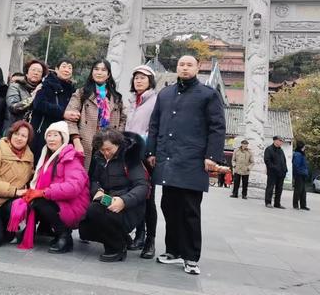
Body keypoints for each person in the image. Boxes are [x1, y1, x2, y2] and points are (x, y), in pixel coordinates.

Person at [147, 55, 225, 275]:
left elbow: (217, 127)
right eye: (181, 64)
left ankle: (190, 256)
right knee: (169, 206)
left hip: (192, 159)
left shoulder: (208, 95)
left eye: (189, 65)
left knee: (190, 209)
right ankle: (173, 250)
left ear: (198, 68)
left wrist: (212, 156)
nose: (185, 68)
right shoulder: (165, 93)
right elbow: (154, 125)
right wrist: (152, 151)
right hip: (168, 158)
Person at [8, 121, 90, 254]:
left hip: (73, 204)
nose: (51, 139)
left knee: (39, 201)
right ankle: (48, 231)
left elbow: (73, 187)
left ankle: (64, 236)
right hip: (59, 199)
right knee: (30, 199)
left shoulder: (70, 158)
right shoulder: (48, 156)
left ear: (63, 138)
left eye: (55, 135)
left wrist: (44, 192)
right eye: (49, 135)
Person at [79, 129, 149, 262]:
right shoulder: (99, 157)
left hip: (129, 206)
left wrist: (124, 201)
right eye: (102, 150)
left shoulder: (130, 157)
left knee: (101, 213)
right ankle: (122, 238)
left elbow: (142, 186)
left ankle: (117, 248)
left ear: (118, 144)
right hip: (107, 199)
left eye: (108, 149)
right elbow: (94, 180)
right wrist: (97, 190)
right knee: (89, 219)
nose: (106, 153)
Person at [65, 59, 126, 170]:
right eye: (96, 69)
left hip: (109, 145)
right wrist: (76, 141)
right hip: (86, 144)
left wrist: (117, 139)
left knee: (104, 179)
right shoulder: (81, 93)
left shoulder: (116, 97)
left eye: (103, 70)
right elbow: (70, 119)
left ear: (108, 75)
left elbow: (123, 119)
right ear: (92, 72)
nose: (99, 72)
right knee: (84, 176)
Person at [125, 65, 158, 258]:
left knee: (148, 197)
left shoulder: (156, 101)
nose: (138, 81)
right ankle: (139, 233)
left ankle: (150, 240)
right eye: (136, 77)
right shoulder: (130, 101)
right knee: (133, 195)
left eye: (143, 78)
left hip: (146, 155)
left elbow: (156, 129)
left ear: (150, 81)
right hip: (128, 153)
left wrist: (152, 151)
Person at [30, 59, 76, 163]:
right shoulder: (46, 84)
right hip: (43, 131)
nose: (67, 70)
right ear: (56, 69)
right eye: (64, 66)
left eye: (70, 68)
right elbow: (39, 104)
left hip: (62, 134)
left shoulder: (72, 90)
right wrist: (62, 113)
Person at [6, 59, 48, 124]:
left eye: (39, 71)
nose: (36, 73)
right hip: (16, 127)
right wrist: (33, 97)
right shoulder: (15, 86)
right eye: (33, 70)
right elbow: (13, 107)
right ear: (26, 73)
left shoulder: (44, 90)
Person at [264, 135, 288, 209]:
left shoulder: (281, 150)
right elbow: (267, 161)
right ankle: (268, 202)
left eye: (282, 141)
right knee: (270, 187)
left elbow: (284, 161)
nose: (281, 142)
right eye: (280, 141)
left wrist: (285, 169)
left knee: (279, 189)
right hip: (272, 173)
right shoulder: (269, 149)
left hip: (281, 173)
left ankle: (277, 203)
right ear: (275, 140)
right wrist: (275, 168)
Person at [292, 140, 310, 211]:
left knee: (303, 191)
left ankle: (303, 205)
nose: (305, 147)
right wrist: (300, 173)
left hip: (303, 175)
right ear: (301, 146)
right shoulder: (297, 154)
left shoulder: (302, 154)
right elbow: (296, 166)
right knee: (297, 190)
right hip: (299, 175)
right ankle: (295, 204)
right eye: (304, 146)